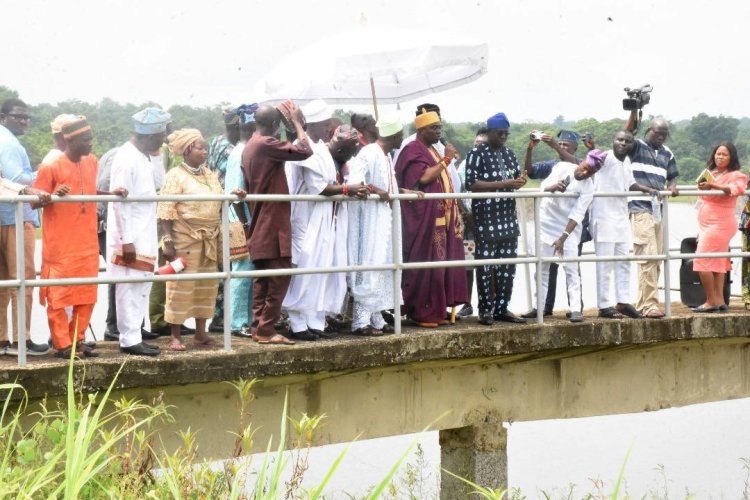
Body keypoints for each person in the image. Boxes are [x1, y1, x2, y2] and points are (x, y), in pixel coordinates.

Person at [34, 117, 127, 357]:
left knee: (87, 293)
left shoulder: (92, 161)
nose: (91, 144)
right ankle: (62, 344)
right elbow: (34, 201)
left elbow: (88, 190)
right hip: (61, 245)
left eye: (91, 139)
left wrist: (110, 192)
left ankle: (78, 339)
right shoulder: (51, 166)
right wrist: (52, 195)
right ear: (70, 140)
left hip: (87, 242)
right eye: (86, 140)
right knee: (59, 295)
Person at [283, 100, 367, 341]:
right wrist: (348, 189)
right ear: (316, 125)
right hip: (306, 219)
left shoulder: (321, 149)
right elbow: (319, 187)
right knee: (306, 269)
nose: (328, 128)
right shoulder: (307, 147)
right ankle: (297, 322)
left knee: (324, 268)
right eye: (325, 125)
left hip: (326, 221)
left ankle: (314, 320)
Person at [159, 128, 245, 350]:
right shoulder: (175, 175)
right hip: (184, 237)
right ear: (188, 149)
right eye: (200, 148)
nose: (205, 152)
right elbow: (166, 208)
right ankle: (176, 336)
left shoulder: (209, 174)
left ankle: (200, 334)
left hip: (210, 237)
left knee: (207, 284)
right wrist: (167, 239)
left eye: (206, 148)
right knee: (179, 285)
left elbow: (219, 200)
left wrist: (234, 195)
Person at [242, 101, 312, 345]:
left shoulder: (250, 145)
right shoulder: (266, 143)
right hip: (273, 222)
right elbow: (305, 151)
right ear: (273, 125)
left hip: (261, 220)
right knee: (280, 276)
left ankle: (258, 327)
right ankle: (266, 329)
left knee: (263, 279)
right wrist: (296, 123)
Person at [107, 107, 171, 357]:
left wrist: (156, 154)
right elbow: (119, 201)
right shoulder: (126, 158)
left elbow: (158, 184)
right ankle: (128, 339)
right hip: (130, 235)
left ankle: (134, 333)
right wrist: (126, 241)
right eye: (161, 136)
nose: (163, 140)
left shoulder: (143, 155)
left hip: (143, 232)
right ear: (149, 135)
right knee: (129, 288)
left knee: (142, 286)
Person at [395, 110, 467, 327]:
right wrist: (446, 158)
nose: (438, 132)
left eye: (439, 127)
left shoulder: (431, 149)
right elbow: (424, 178)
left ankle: (438, 310)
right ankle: (421, 313)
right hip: (422, 219)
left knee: (440, 265)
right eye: (434, 128)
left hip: (440, 218)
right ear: (421, 129)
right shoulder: (412, 150)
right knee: (425, 265)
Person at [524, 151, 601, 322]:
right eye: (585, 168)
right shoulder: (562, 167)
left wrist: (562, 238)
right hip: (546, 223)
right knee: (542, 268)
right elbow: (542, 189)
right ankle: (539, 307)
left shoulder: (588, 187)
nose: (585, 173)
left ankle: (575, 309)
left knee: (571, 269)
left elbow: (577, 214)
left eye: (590, 173)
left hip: (568, 228)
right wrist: (553, 188)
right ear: (581, 163)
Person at [465, 112, 526, 325]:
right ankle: (485, 311)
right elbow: (472, 184)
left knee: (508, 267)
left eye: (506, 134)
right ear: (489, 132)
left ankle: (502, 308)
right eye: (499, 133)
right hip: (487, 219)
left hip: (508, 218)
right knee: (485, 267)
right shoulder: (476, 153)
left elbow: (514, 178)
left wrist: (518, 182)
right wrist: (504, 184)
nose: (503, 137)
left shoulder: (509, 153)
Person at [0, 98, 49, 356]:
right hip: (15, 217)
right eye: (18, 116)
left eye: (27, 117)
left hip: (6, 215)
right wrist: (42, 174)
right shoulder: (7, 142)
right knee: (23, 280)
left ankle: (2, 340)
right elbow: (16, 178)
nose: (24, 121)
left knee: (4, 282)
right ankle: (22, 341)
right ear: (4, 116)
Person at [589, 131, 657, 319]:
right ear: (613, 141)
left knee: (624, 261)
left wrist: (649, 190)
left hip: (620, 217)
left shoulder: (626, 161)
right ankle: (604, 306)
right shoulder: (605, 158)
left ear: (631, 145)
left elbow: (632, 184)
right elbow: (591, 162)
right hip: (603, 217)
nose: (623, 143)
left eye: (627, 141)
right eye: (619, 139)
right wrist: (591, 148)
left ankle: (623, 301)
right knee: (605, 264)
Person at [347, 117, 403, 335]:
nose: (401, 138)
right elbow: (355, 181)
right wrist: (375, 189)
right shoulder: (369, 152)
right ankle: (360, 322)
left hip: (384, 219)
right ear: (393, 136)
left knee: (383, 264)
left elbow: (389, 185)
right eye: (400, 135)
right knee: (370, 265)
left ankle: (376, 316)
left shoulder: (386, 155)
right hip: (369, 219)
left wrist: (403, 192)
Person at [626, 113, 680, 318]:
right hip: (640, 208)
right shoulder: (637, 147)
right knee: (648, 255)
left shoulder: (667, 153)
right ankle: (650, 305)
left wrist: (672, 187)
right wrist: (635, 111)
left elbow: (672, 177)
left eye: (665, 133)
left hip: (659, 210)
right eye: (658, 132)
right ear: (649, 130)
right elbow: (626, 134)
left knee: (656, 259)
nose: (661, 136)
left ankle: (643, 304)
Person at [693, 141, 747, 312]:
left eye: (724, 154)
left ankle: (710, 301)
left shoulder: (737, 175)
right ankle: (719, 301)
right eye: (717, 153)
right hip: (706, 225)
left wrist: (713, 185)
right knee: (717, 261)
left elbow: (735, 189)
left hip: (721, 224)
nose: (720, 157)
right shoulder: (711, 173)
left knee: (701, 260)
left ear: (731, 157)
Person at [224, 103, 258, 338]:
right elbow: (237, 193)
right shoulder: (240, 152)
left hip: (244, 216)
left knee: (249, 270)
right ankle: (237, 322)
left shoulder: (244, 150)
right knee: (242, 269)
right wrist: (246, 224)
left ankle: (246, 319)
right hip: (239, 219)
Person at [207, 106, 241, 333]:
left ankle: (218, 317)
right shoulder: (232, 150)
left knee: (222, 265)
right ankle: (221, 318)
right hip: (225, 212)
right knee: (227, 263)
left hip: (215, 211)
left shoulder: (216, 142)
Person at [455, 128, 488, 318]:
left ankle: (487, 304)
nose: (477, 148)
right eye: (475, 145)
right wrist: (465, 213)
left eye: (481, 145)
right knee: (468, 264)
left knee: (488, 265)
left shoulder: (491, 165)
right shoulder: (464, 166)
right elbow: (458, 193)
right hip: (468, 223)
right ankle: (467, 304)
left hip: (487, 223)